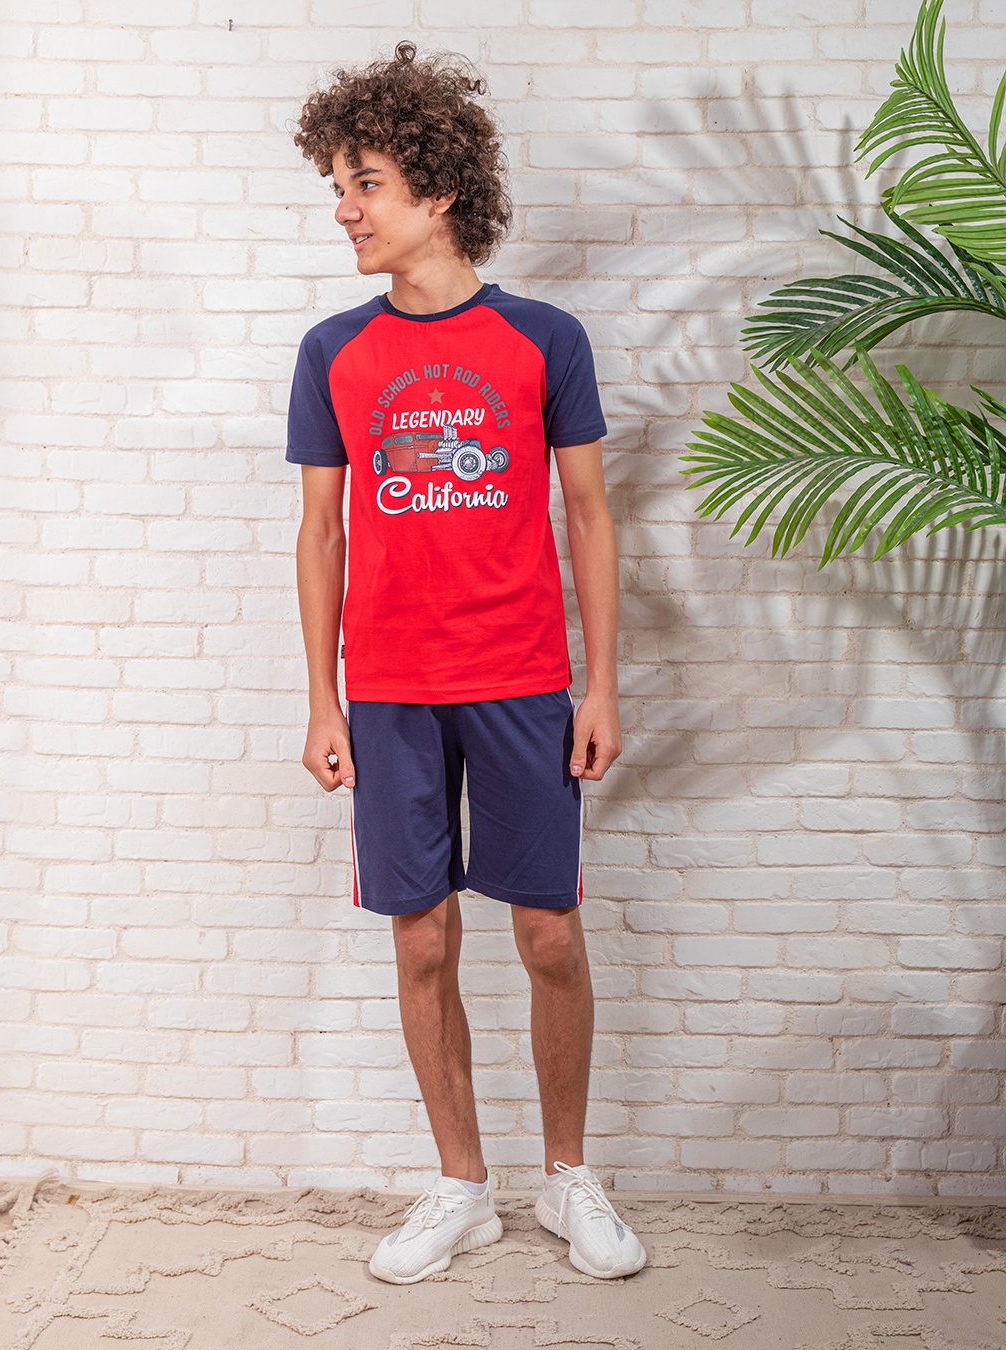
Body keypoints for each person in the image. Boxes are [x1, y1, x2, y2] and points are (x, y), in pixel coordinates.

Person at [287, 42, 646, 1286]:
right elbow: (322, 531)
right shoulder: (333, 351)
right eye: (339, 185)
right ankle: (462, 1186)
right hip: (389, 695)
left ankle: (567, 1175)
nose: (344, 209)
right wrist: (322, 699)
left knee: (548, 935)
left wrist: (601, 685)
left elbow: (590, 515)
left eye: (366, 183)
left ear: (437, 189)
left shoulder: (544, 339)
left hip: (523, 684)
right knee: (422, 940)